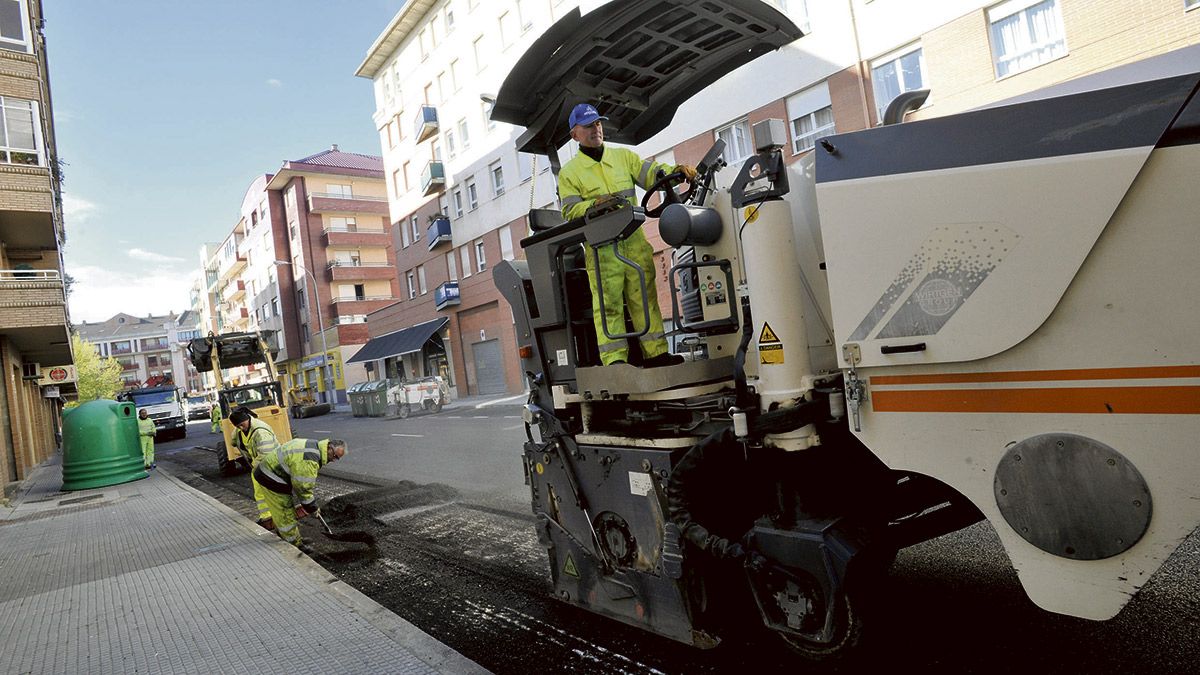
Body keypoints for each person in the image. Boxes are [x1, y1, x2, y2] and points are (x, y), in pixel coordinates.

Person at [557, 102, 692, 368]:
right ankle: (615, 360)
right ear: (575, 134)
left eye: (597, 123)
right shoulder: (569, 173)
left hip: (634, 242)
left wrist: (675, 174)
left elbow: (653, 174)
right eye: (588, 126)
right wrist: (594, 205)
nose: (596, 129)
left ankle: (656, 354)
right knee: (608, 306)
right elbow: (570, 211)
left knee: (645, 299)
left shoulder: (623, 158)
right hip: (602, 250)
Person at [252, 438, 348, 550]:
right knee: (285, 513)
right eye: (335, 456)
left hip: (271, 472)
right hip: (271, 478)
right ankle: (294, 544)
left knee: (283, 511)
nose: (333, 460)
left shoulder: (314, 445)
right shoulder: (310, 459)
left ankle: (292, 537)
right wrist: (312, 507)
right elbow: (303, 488)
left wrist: (310, 506)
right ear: (329, 448)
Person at [230, 407, 279, 527]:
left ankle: (275, 514)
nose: (241, 428)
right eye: (238, 427)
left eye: (242, 425)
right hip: (260, 463)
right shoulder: (240, 429)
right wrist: (234, 440)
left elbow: (266, 454)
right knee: (260, 490)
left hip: (271, 462)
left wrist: (254, 465)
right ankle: (267, 516)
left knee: (272, 489)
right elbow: (234, 437)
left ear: (247, 419)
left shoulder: (260, 431)